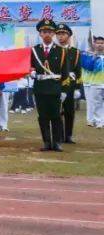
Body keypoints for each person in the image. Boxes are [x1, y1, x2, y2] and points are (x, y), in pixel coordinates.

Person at [30, 19, 65, 151]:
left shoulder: (61, 51)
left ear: (54, 33)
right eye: (44, 32)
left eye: (50, 32)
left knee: (56, 116)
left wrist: (64, 91)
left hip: (55, 89)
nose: (47, 34)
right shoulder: (34, 50)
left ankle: (56, 142)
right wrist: (31, 72)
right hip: (40, 88)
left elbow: (65, 72)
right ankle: (46, 142)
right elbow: (30, 66)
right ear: (40, 34)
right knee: (43, 117)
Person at [55, 23, 82, 144]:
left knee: (69, 111)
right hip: (56, 84)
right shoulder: (53, 51)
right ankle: (59, 135)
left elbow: (78, 71)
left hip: (70, 85)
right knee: (57, 111)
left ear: (69, 35)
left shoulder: (75, 52)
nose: (60, 36)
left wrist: (77, 88)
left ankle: (68, 135)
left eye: (63, 34)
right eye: (58, 34)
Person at [82, 35, 104, 129]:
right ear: (94, 44)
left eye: (102, 43)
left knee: (97, 103)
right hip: (96, 82)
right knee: (96, 102)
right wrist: (94, 57)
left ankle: (97, 120)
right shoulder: (88, 55)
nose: (99, 45)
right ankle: (97, 121)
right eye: (98, 43)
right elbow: (89, 67)